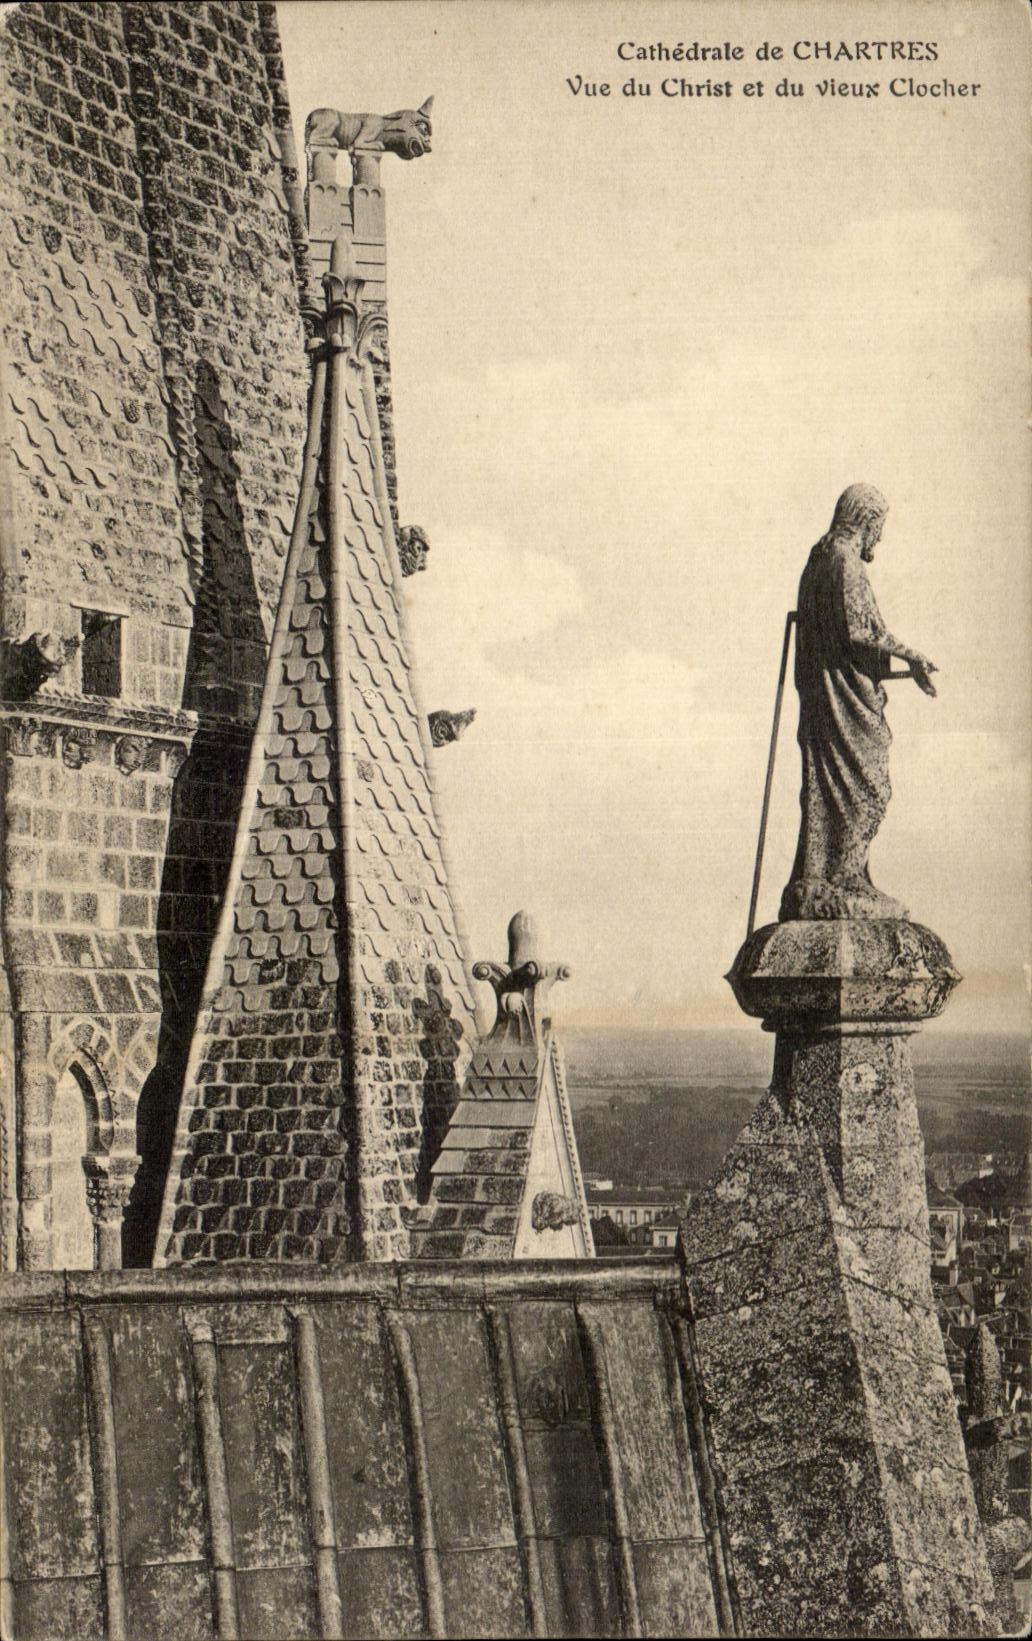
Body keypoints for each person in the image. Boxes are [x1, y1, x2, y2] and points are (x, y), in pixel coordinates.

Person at [780, 483, 937, 921]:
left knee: (829, 787)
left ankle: (832, 873)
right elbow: (856, 631)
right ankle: (844, 878)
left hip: (827, 696)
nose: (879, 539)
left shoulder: (817, 560)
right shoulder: (845, 562)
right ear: (866, 522)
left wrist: (899, 667)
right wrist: (912, 654)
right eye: (879, 527)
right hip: (844, 704)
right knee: (868, 785)